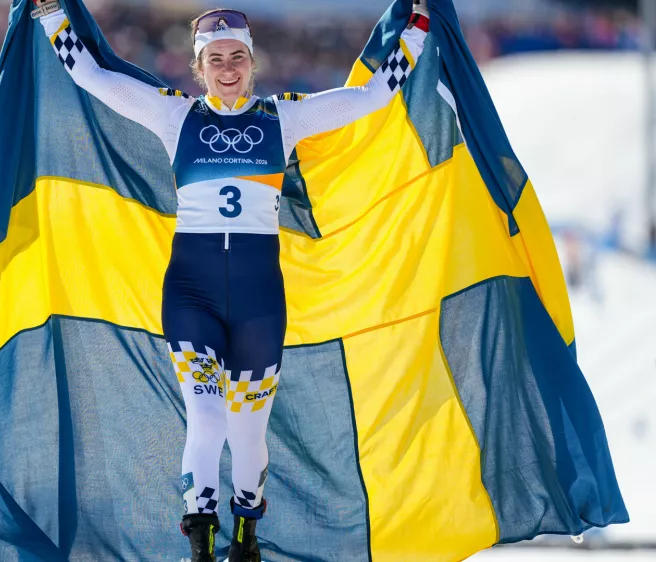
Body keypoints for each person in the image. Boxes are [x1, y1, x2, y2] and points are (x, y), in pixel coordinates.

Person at [34, 1, 430, 560]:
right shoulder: (176, 116)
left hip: (258, 302)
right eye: (215, 58)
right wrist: (51, 13)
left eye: (237, 57)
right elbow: (91, 76)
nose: (227, 68)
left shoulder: (283, 118)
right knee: (207, 413)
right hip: (191, 294)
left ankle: (246, 534)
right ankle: (200, 535)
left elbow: (371, 97)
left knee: (247, 431)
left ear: (251, 61)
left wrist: (418, 27)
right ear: (199, 66)